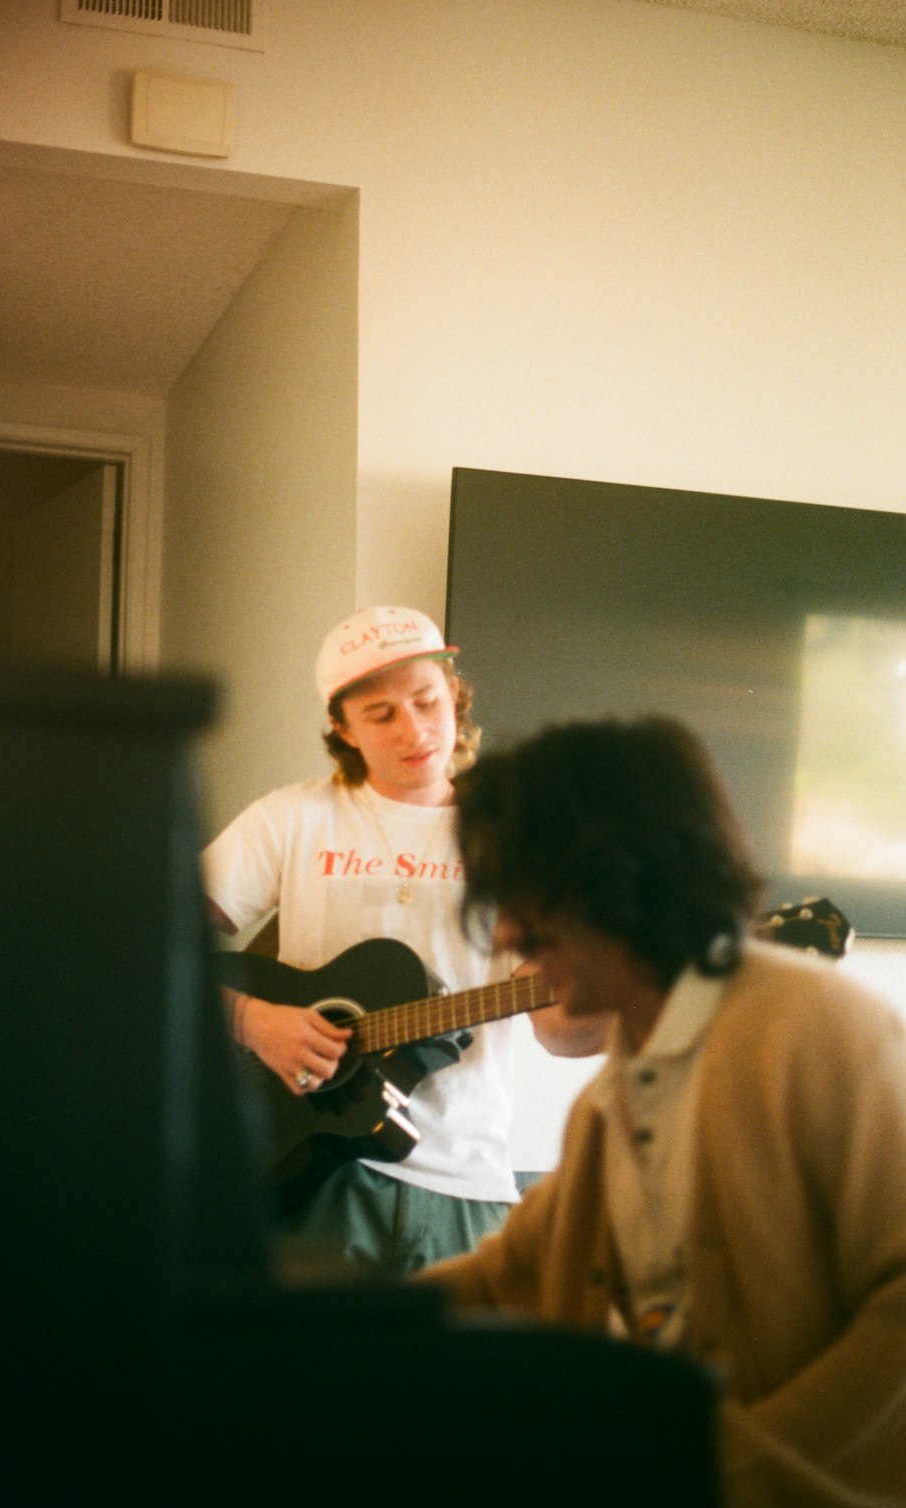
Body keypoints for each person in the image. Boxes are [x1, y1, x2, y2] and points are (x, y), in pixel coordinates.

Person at [422, 715, 906, 1508]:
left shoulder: (819, 1032)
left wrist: (730, 1470)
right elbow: (507, 1275)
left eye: (526, 895)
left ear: (615, 876)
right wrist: (321, 1332)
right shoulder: (611, 1099)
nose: (507, 931)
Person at [203, 605, 539, 1275]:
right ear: (342, 727)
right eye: (381, 715)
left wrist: (582, 981)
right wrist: (253, 1020)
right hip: (310, 1172)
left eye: (427, 701)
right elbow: (144, 946)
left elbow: (567, 1033)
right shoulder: (291, 819)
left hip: (467, 1183)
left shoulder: (515, 835)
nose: (414, 730)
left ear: (455, 697)